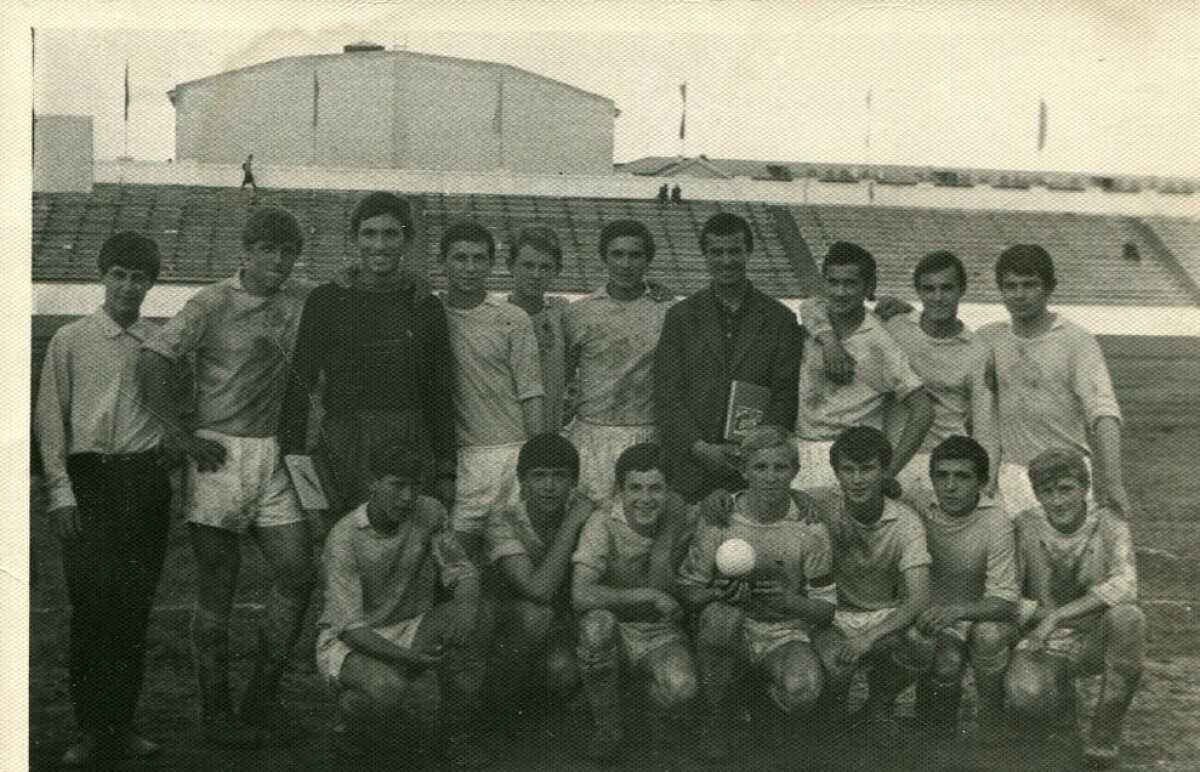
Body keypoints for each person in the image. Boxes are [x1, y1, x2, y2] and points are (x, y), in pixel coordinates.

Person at [138, 207, 315, 746]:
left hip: (277, 454)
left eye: (287, 251)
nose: (277, 261)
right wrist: (180, 434)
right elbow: (152, 358)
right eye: (267, 249)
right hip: (220, 452)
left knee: (298, 573)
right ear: (246, 250)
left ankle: (263, 696)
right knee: (220, 581)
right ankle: (216, 712)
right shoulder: (210, 303)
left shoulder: (302, 299)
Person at [35, 232, 172, 765]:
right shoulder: (70, 339)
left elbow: (173, 410)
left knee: (133, 610)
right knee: (91, 609)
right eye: (119, 275)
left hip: (143, 484)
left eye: (140, 278)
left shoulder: (159, 343)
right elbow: (52, 418)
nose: (128, 287)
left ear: (151, 284)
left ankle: (123, 723)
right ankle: (90, 728)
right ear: (103, 275)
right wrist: (60, 492)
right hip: (90, 481)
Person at [280, 192, 456, 516]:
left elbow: (439, 394)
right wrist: (298, 470)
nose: (379, 245)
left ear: (407, 239)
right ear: (354, 238)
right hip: (343, 442)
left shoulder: (425, 305)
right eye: (369, 233)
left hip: (406, 443)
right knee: (339, 537)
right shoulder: (326, 300)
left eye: (390, 234)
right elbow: (298, 387)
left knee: (404, 537)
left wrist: (446, 470)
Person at [316, 448, 490, 767]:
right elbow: (351, 629)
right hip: (350, 642)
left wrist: (466, 610)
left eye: (415, 485)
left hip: (410, 625)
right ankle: (347, 727)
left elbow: (461, 571)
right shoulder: (344, 537)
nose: (408, 497)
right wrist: (411, 659)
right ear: (373, 482)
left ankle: (452, 734)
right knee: (387, 689)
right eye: (397, 484)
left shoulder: (430, 511)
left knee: (477, 615)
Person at [678, 426, 837, 760]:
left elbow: (826, 609)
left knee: (803, 690)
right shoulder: (721, 519)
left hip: (783, 632)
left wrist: (788, 601)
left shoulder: (810, 527)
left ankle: (758, 702)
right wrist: (717, 592)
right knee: (721, 618)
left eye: (780, 467)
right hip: (732, 629)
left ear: (795, 471)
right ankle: (715, 718)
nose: (770, 477)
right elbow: (688, 591)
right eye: (761, 467)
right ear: (744, 470)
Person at [809, 251, 991, 504]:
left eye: (947, 288)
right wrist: (829, 340)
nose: (938, 297)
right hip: (895, 458)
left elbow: (984, 428)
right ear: (918, 291)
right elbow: (814, 306)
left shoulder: (978, 350)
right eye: (929, 289)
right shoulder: (895, 327)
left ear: (962, 290)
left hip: (945, 464)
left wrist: (985, 487)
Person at [1006, 448, 1144, 768]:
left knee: (1129, 617)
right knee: (1025, 694)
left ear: (1085, 488)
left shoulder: (1109, 522)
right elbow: (1007, 594)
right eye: (1047, 491)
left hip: (1094, 635)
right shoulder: (1024, 525)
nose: (1057, 501)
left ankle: (1105, 731)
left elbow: (1127, 585)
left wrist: (1059, 615)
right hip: (1044, 639)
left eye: (1066, 489)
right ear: (1036, 493)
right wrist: (1045, 619)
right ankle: (1064, 712)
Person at [654, 212, 802, 502]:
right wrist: (699, 448)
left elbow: (785, 396)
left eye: (734, 251)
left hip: (752, 468)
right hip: (689, 466)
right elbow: (666, 395)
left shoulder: (780, 318)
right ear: (705, 255)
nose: (726, 260)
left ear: (748, 252)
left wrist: (753, 450)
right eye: (717, 252)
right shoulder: (680, 317)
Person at [974, 245, 1130, 517]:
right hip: (1012, 474)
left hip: (1065, 473)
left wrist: (1114, 482)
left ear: (1049, 287)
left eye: (1029, 285)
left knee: (1067, 544)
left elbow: (1103, 411)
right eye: (1010, 286)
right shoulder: (989, 339)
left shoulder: (1076, 341)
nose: (1019, 294)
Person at [571, 443, 700, 764]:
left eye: (655, 488)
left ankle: (633, 703)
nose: (645, 498)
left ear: (669, 490)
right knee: (596, 626)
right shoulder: (603, 523)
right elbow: (581, 594)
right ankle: (607, 728)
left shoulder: (681, 517)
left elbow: (726, 509)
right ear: (620, 489)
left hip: (660, 633)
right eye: (635, 488)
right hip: (615, 628)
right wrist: (650, 595)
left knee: (681, 688)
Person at [810, 426, 933, 747]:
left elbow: (919, 598)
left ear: (884, 471)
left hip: (883, 616)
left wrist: (869, 637)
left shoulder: (906, 521)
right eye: (848, 469)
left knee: (921, 643)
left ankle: (877, 706)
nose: (857, 479)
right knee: (836, 672)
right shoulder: (822, 507)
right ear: (836, 472)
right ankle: (833, 714)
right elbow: (782, 499)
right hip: (834, 616)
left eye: (867, 469)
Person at [439, 220, 544, 561]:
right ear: (443, 262)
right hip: (464, 459)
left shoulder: (512, 317)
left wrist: (536, 459)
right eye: (460, 258)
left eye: (478, 258)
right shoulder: (431, 314)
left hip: (513, 455)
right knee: (455, 563)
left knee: (521, 560)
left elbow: (531, 393)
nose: (470, 268)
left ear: (491, 264)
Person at [795, 242, 934, 491]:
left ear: (869, 286)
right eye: (833, 282)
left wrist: (889, 473)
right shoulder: (815, 318)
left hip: (854, 459)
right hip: (804, 450)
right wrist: (830, 342)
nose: (840, 292)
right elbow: (810, 305)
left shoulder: (881, 343)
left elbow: (923, 411)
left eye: (850, 283)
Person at [909, 436, 1018, 738]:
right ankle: (936, 723)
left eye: (962, 476)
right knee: (945, 660)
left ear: (982, 482)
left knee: (988, 636)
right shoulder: (919, 506)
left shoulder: (997, 521)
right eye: (941, 476)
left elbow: (1005, 600)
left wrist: (956, 611)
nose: (950, 486)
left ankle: (991, 712)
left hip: (986, 616)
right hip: (940, 618)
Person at [483, 433, 593, 728]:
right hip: (509, 627)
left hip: (558, 625)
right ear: (522, 481)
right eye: (539, 476)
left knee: (562, 671)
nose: (549, 486)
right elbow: (538, 589)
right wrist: (572, 524)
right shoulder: (502, 519)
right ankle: (497, 711)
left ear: (573, 482)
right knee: (535, 616)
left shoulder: (586, 513)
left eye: (559, 476)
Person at [562, 220, 674, 503]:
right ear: (604, 258)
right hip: (592, 435)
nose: (625, 264)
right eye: (617, 254)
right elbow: (562, 375)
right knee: (587, 517)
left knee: (640, 518)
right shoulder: (579, 313)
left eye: (635, 255)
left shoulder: (668, 310)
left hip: (646, 433)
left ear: (648, 260)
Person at [505, 227, 571, 432]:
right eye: (528, 265)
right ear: (510, 266)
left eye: (544, 267)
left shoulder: (563, 314)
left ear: (557, 270)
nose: (536, 275)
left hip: (549, 437)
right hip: (505, 437)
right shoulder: (495, 317)